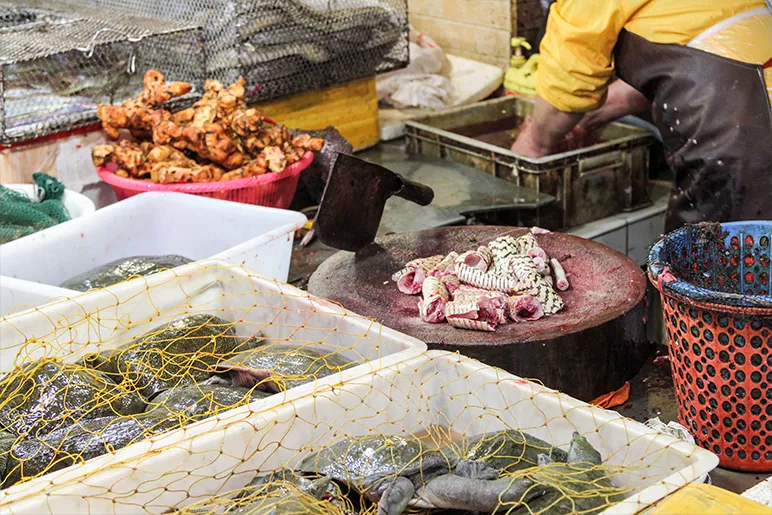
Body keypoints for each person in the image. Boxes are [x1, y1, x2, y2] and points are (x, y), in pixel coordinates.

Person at [511, 1, 772, 232]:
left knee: (713, 266)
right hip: (753, 103)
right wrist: (590, 118)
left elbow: (563, 94)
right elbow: (692, 67)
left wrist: (535, 144)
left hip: (736, 142)